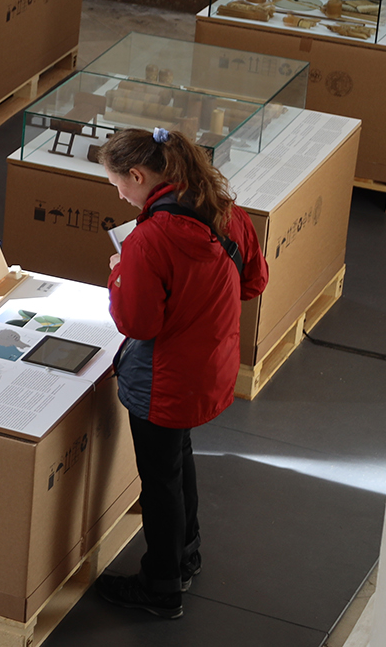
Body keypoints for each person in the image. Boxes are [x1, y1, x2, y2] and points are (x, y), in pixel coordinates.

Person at [93, 126, 268, 619]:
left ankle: (162, 584)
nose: (121, 195)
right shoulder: (223, 210)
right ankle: (187, 555)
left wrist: (120, 270)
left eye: (118, 185)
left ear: (138, 174)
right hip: (208, 366)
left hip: (163, 378)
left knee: (159, 480)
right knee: (177, 458)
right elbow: (253, 281)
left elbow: (137, 322)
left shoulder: (149, 239)